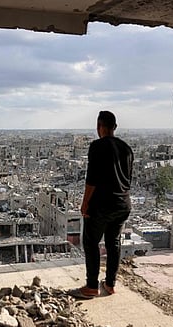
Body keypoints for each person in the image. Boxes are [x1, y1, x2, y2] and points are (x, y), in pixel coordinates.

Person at [72, 110, 134, 299]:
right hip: (123, 204)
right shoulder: (127, 148)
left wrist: (85, 204)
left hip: (102, 204)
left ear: (99, 126)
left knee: (91, 242)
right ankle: (110, 283)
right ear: (114, 127)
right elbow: (128, 179)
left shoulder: (97, 146)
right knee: (113, 242)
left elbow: (92, 179)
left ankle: (92, 286)